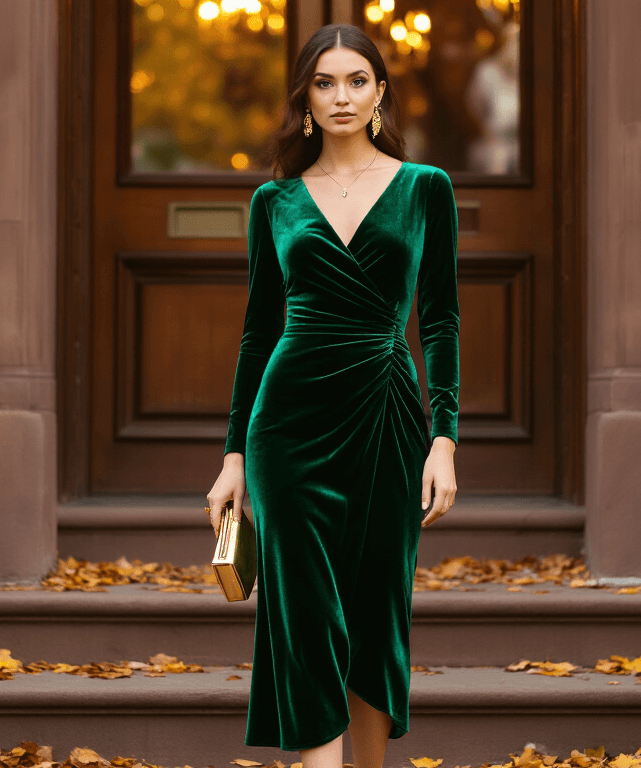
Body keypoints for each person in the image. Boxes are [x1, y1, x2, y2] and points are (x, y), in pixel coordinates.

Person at [205, 22, 460, 768]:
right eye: (324, 83)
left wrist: (442, 437)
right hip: (286, 430)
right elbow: (257, 336)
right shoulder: (274, 202)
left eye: (356, 80)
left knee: (378, 613)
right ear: (305, 101)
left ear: (380, 92)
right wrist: (232, 458)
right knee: (305, 616)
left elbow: (439, 319)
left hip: (387, 418)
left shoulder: (425, 189)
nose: (340, 96)